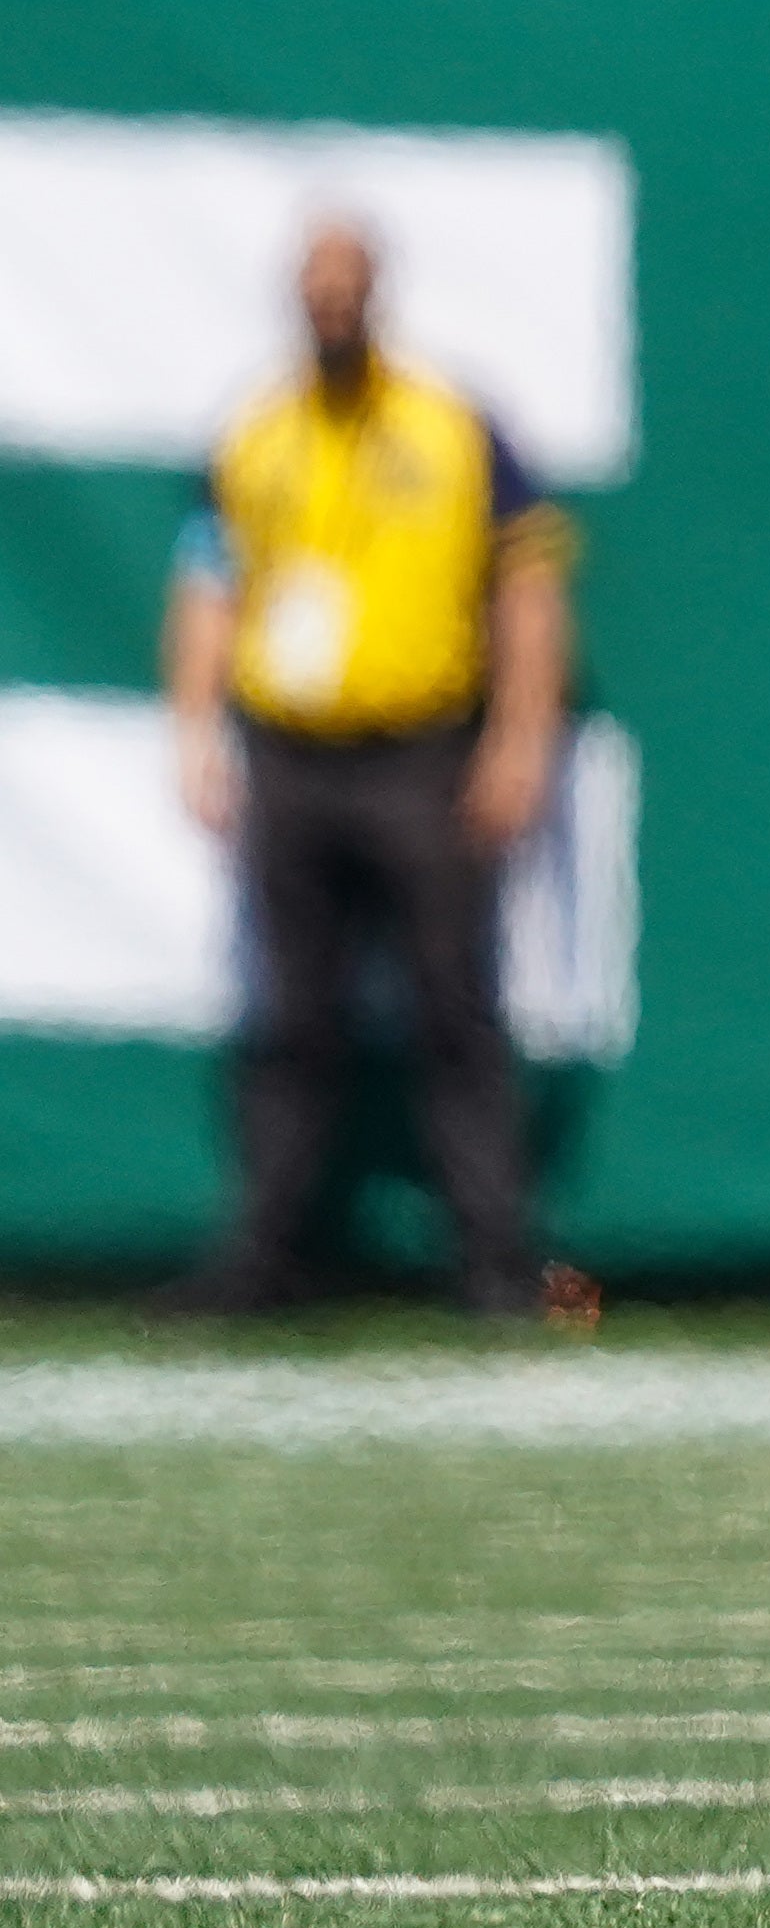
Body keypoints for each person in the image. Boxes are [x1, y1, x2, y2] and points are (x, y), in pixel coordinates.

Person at [154, 221, 581, 1325]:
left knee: (454, 1010)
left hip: (420, 750)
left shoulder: (450, 425)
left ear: (377, 293)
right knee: (292, 1017)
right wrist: (198, 729)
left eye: (347, 285)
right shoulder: (258, 431)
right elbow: (209, 576)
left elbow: (524, 583)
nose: (331, 304)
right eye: (315, 287)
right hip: (291, 752)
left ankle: (492, 1262)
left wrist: (521, 737)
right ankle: (269, 1255)